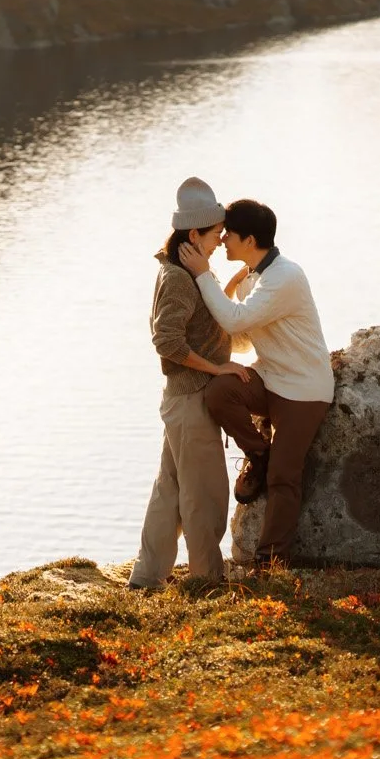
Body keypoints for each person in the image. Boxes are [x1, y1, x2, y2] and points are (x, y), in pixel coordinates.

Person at [178, 198, 334, 570]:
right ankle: (259, 454)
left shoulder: (284, 276)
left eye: (229, 233)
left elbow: (235, 323)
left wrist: (203, 275)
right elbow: (245, 338)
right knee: (220, 392)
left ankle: (270, 559)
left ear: (249, 239)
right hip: (271, 377)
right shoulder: (253, 277)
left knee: (284, 476)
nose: (223, 240)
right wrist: (229, 291)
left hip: (304, 390)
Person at [127, 177, 255, 590]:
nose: (221, 240)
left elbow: (209, 326)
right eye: (216, 233)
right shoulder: (181, 279)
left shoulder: (185, 269)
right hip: (191, 401)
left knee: (170, 491)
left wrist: (230, 285)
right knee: (205, 497)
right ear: (194, 233)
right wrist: (217, 370)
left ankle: (146, 578)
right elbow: (167, 342)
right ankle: (206, 580)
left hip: (180, 400)